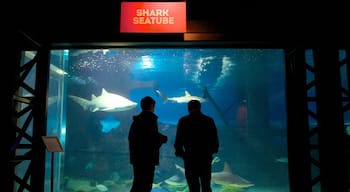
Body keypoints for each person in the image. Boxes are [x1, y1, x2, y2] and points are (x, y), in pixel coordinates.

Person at [174, 99, 219, 192]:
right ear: (200, 107)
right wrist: (212, 151)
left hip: (190, 157)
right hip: (205, 157)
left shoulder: (183, 121)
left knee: (193, 186)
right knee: (206, 184)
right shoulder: (209, 120)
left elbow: (178, 140)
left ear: (188, 108)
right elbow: (214, 139)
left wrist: (181, 154)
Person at [128, 96, 168, 192]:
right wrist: (162, 139)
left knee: (138, 182)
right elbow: (151, 138)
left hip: (137, 157)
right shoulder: (151, 119)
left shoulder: (136, 121)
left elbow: (132, 137)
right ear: (152, 106)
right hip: (148, 158)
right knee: (146, 184)